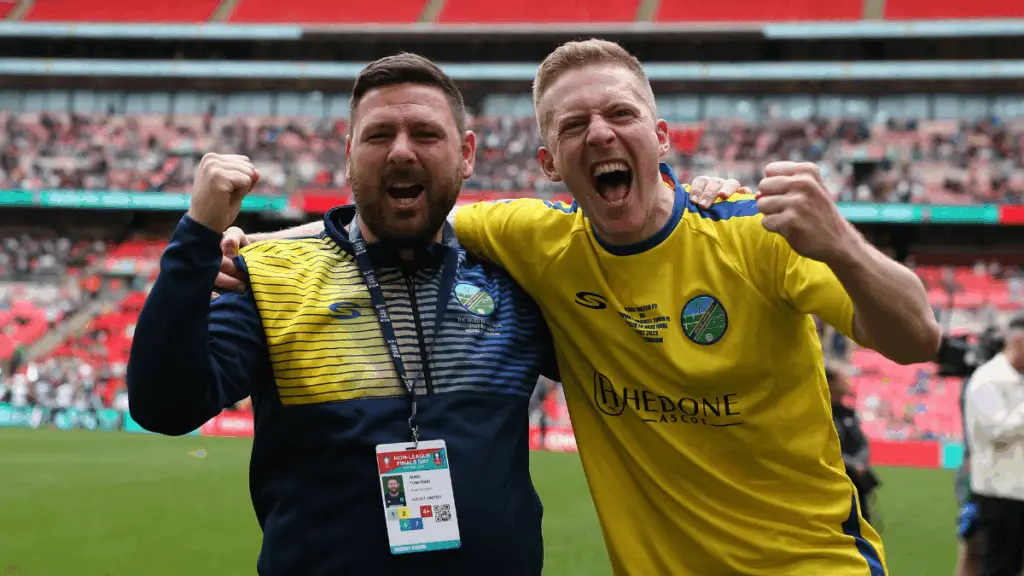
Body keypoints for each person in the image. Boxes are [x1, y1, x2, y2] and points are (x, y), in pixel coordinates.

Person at [216, 40, 940, 575]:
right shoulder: (536, 240)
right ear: (549, 164)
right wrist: (264, 245)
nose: (599, 134)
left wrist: (842, 240)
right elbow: (395, 219)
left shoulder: (753, 233)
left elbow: (918, 337)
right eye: (572, 126)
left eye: (620, 114)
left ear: (661, 138)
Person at [127, 54, 564, 576]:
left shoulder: (516, 279)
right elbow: (164, 407)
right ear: (349, 153)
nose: (402, 151)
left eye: (426, 134)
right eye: (379, 135)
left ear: (466, 153)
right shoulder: (273, 278)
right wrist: (196, 237)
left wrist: (688, 201)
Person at [963, 316, 1024, 576]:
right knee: (998, 568)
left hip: (1017, 491)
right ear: (1018, 342)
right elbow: (995, 431)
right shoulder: (988, 380)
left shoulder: (1015, 378)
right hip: (1000, 493)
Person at [827, 364, 880, 525]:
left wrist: (861, 464)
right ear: (829, 383)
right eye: (840, 378)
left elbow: (862, 443)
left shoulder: (848, 412)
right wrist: (853, 465)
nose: (846, 381)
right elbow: (827, 448)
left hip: (856, 484)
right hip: (836, 483)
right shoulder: (822, 414)